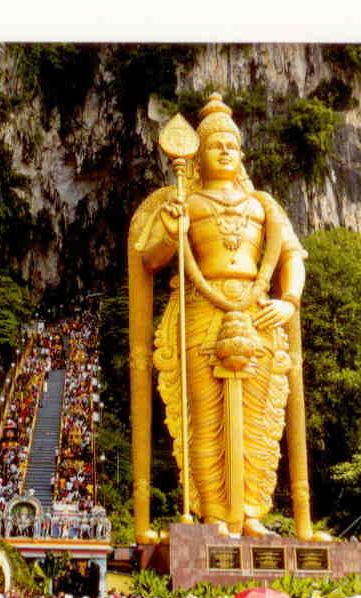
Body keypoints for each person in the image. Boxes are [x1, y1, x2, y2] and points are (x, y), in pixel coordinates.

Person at [129, 93, 309, 540]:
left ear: (242, 152)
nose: (225, 150)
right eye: (215, 145)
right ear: (198, 156)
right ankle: (212, 514)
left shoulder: (263, 205)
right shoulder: (186, 203)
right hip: (201, 312)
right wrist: (171, 232)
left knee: (258, 418)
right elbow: (149, 258)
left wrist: (289, 300)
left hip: (256, 312)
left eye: (232, 143)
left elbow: (293, 256)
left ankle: (250, 512)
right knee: (204, 419)